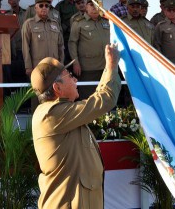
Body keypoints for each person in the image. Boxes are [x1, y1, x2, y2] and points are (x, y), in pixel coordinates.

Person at [31, 44, 121, 208]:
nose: (75, 80)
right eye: (70, 76)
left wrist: (109, 68)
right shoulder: (51, 114)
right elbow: (104, 100)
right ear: (57, 88)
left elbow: (97, 100)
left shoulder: (63, 112)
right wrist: (112, 66)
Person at [68, 0, 110, 100]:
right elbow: (72, 43)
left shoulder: (106, 21)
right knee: (88, 98)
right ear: (86, 7)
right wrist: (75, 62)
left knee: (105, 97)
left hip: (105, 67)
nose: (94, 7)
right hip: (88, 68)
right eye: (91, 4)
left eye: (97, 4)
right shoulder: (78, 22)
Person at [21, 0, 64, 77]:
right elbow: (25, 47)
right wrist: (28, 67)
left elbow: (60, 46)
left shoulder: (55, 24)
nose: (44, 8)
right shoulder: (29, 24)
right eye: (41, 5)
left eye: (47, 6)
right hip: (38, 67)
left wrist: (61, 64)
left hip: (54, 67)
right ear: (35, 8)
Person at [5, 0, 28, 84]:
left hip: (26, 51)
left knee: (26, 77)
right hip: (13, 52)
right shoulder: (6, 15)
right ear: (8, 2)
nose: (13, 0)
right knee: (14, 78)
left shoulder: (26, 13)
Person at [55, 0, 78, 66]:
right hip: (66, 39)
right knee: (66, 62)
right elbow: (56, 22)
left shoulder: (77, 5)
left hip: (78, 38)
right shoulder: (60, 6)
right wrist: (66, 28)